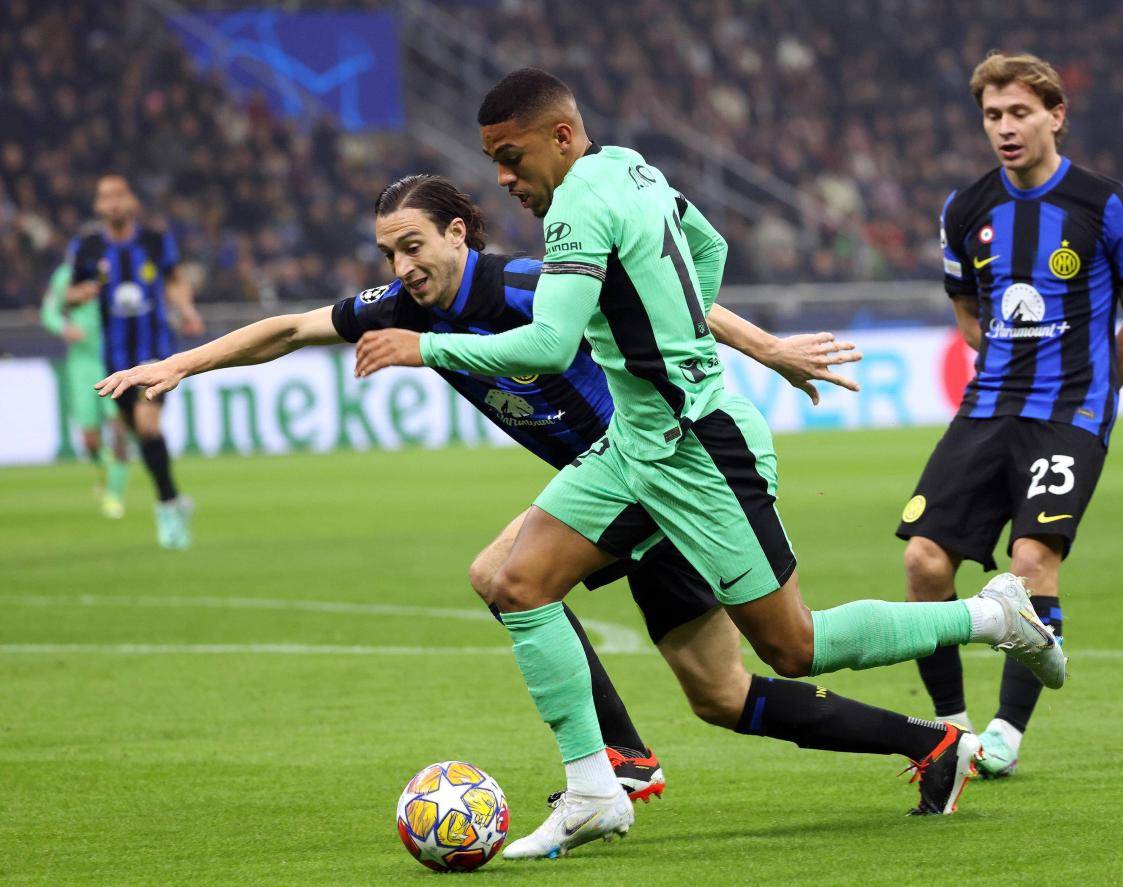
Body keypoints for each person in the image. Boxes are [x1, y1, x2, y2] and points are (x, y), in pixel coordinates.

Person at [97, 173, 995, 830]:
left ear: (458, 233)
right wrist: (181, 363)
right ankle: (931, 740)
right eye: (388, 254)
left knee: (509, 576)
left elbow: (665, 300)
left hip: (649, 472)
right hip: (610, 497)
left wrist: (771, 348)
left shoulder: (525, 283)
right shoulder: (409, 304)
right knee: (728, 692)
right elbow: (291, 328)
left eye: (414, 246)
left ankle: (614, 770)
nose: (401, 266)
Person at [347, 68, 1065, 857]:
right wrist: (676, 328)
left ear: (560, 136)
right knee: (516, 584)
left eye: (512, 159)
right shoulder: (631, 167)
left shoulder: (577, 206)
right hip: (635, 444)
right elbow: (708, 245)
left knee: (793, 646)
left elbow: (550, 345)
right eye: (495, 162)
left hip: (697, 448)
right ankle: (595, 789)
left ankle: (993, 616)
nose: (504, 180)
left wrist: (424, 348)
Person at [896, 52, 1123, 778]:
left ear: (1055, 115)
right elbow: (965, 304)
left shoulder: (1107, 203)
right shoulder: (965, 208)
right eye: (993, 115)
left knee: (1030, 560)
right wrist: (997, 351)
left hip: (1068, 414)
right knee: (923, 561)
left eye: (1019, 112)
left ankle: (1007, 731)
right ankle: (951, 730)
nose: (1005, 128)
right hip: (987, 407)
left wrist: (1095, 397)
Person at [67, 174, 203, 549]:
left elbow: (174, 280)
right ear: (98, 206)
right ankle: (174, 498)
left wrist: (186, 309)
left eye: (119, 195)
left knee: (146, 424)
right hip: (115, 360)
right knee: (141, 435)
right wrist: (81, 292)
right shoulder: (88, 247)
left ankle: (166, 510)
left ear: (132, 201)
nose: (112, 202)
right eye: (105, 196)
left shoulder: (155, 241)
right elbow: (69, 293)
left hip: (156, 353)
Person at [40, 257, 129, 517]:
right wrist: (64, 326)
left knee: (119, 429)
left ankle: (114, 494)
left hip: (115, 360)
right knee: (90, 439)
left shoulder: (118, 267)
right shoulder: (66, 274)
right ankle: (103, 468)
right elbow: (49, 311)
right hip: (82, 365)